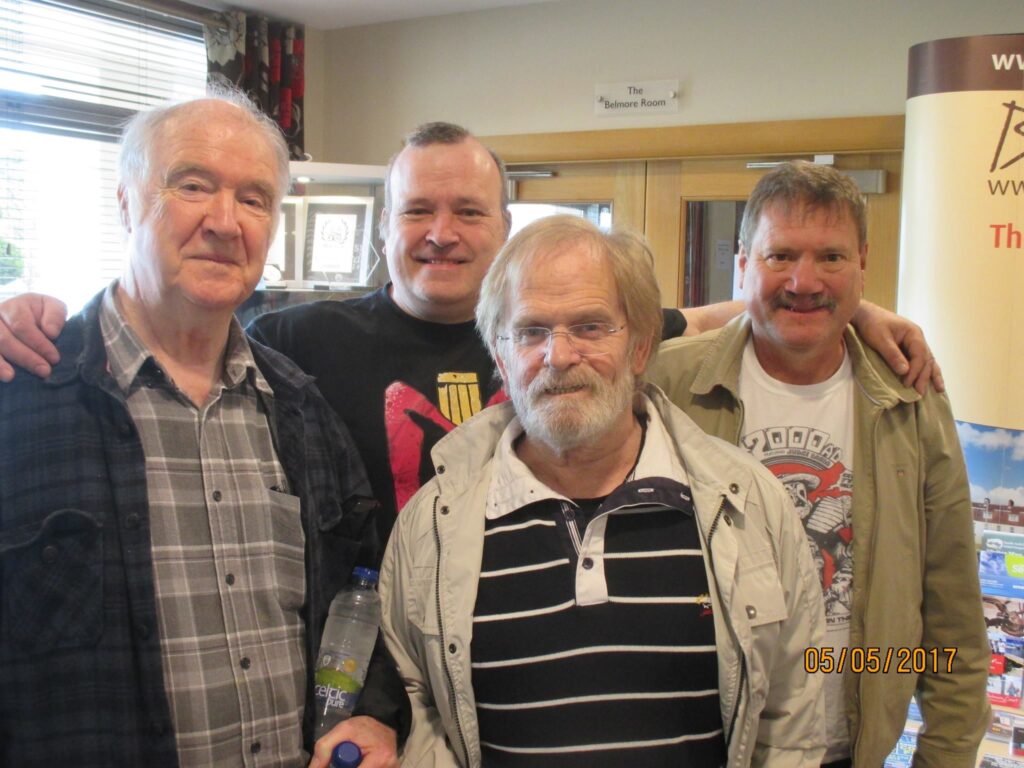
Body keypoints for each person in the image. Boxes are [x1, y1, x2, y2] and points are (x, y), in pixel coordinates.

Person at [0, 124, 943, 549]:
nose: (442, 232)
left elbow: (715, 312)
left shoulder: (560, 340)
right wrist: (33, 317)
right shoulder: (291, 342)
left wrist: (855, 309)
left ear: (504, 225)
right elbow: (172, 325)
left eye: (468, 210)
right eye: (417, 210)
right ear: (384, 228)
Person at [0, 93, 404, 768]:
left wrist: (372, 714)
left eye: (254, 198)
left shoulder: (304, 413)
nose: (225, 221)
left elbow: (363, 600)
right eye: (194, 186)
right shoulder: (23, 402)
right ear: (127, 200)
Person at [382, 215, 826, 767]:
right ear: (501, 357)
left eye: (590, 327)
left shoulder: (747, 506)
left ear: (640, 348)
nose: (559, 355)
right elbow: (417, 708)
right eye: (531, 331)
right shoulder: (431, 527)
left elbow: (792, 718)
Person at [648, 161, 989, 768]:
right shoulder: (669, 381)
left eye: (830, 258)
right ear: (744, 263)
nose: (804, 281)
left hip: (844, 741)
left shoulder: (912, 395)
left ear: (863, 261)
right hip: (694, 736)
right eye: (781, 256)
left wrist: (946, 752)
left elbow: (952, 602)